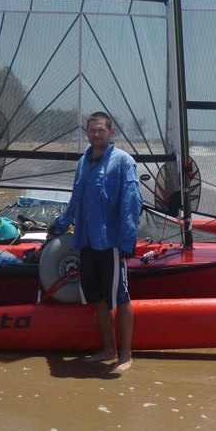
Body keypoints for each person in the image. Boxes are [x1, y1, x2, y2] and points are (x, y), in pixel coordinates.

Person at [47, 112, 141, 372]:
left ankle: (125, 355)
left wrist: (127, 240)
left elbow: (131, 203)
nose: (96, 134)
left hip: (110, 243)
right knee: (97, 297)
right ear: (87, 133)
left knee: (120, 298)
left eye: (100, 130)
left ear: (111, 132)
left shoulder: (123, 162)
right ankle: (107, 349)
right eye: (91, 130)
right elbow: (75, 199)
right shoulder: (83, 162)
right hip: (86, 240)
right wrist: (59, 226)